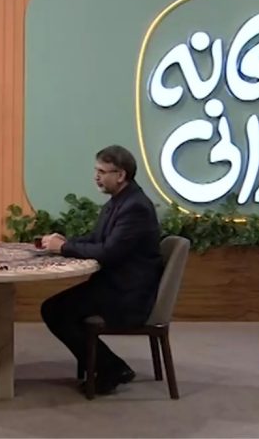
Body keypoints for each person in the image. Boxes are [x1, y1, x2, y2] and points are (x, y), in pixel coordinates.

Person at [40, 145, 163, 395]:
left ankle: (111, 368)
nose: (96, 177)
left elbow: (108, 252)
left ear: (121, 175)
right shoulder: (120, 201)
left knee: (55, 311)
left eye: (102, 172)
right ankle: (110, 366)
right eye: (96, 171)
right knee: (57, 308)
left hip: (128, 294)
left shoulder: (135, 207)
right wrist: (65, 243)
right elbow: (97, 239)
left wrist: (64, 248)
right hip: (114, 285)